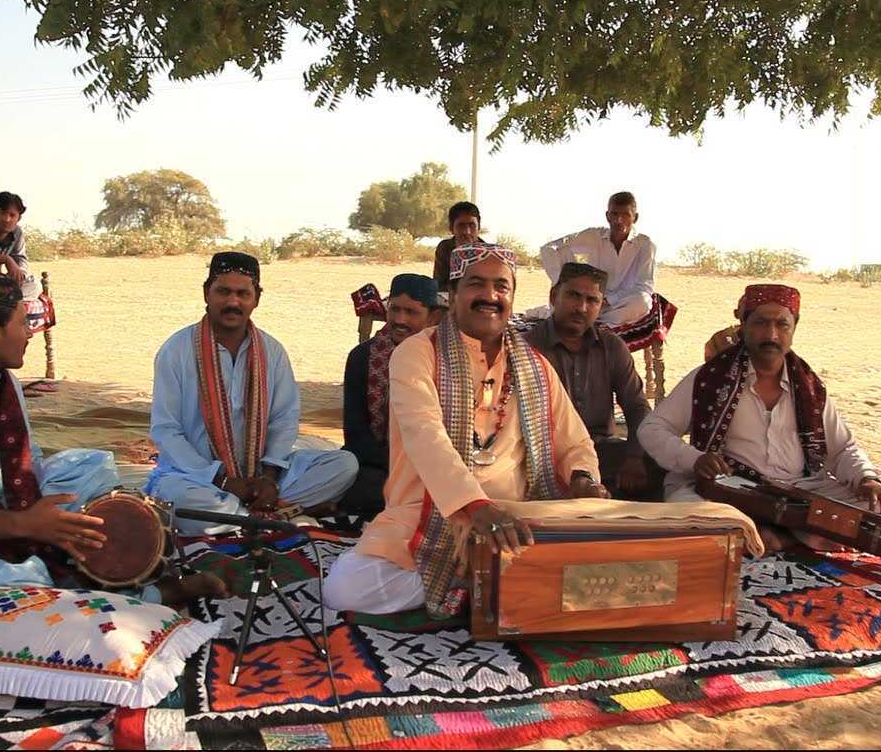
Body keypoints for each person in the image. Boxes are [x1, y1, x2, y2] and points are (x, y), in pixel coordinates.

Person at [0, 268, 224, 613]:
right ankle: (144, 597)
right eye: (22, 322)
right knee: (19, 586)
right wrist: (24, 525)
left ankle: (111, 578)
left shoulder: (5, 385)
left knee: (93, 471)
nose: (30, 332)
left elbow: (25, 467)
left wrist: (54, 514)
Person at [322, 243, 613, 617]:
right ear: (454, 294)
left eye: (501, 287)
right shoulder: (416, 353)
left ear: (511, 297)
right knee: (344, 589)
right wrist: (474, 507)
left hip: (516, 516)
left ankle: (482, 578)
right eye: (477, 284)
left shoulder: (533, 366)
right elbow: (425, 435)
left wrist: (582, 478)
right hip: (430, 509)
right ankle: (484, 580)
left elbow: (574, 439)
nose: (490, 296)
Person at [637, 283, 881, 553]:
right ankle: (794, 534)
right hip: (734, 490)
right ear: (744, 325)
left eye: (782, 324)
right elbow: (652, 428)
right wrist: (694, 459)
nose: (771, 334)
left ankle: (777, 535)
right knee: (691, 511)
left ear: (794, 328)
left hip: (801, 493)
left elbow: (842, 448)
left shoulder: (808, 386)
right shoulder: (709, 378)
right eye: (760, 323)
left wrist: (865, 478)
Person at [146, 252, 358, 535]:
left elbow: (284, 419)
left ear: (256, 298)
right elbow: (166, 430)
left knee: (344, 464)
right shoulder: (176, 350)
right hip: (197, 478)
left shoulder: (272, 351)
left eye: (242, 293)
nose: (233, 302)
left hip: (262, 477)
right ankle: (275, 514)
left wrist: (268, 477)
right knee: (184, 499)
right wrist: (221, 480)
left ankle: (248, 515)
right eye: (223, 291)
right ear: (206, 293)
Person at [523, 262, 651, 494]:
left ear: (601, 306)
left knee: (663, 467)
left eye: (592, 300)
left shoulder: (612, 347)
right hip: (544, 455)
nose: (581, 307)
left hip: (602, 452)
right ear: (553, 296)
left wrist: (634, 457)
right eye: (573, 295)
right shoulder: (528, 347)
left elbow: (637, 407)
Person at [341, 273, 438, 518]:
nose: (400, 320)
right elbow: (355, 433)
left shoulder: (443, 359)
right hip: (376, 464)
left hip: (430, 465)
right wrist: (398, 465)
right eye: (394, 309)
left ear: (432, 317)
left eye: (411, 312)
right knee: (351, 476)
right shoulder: (362, 357)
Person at [537, 191, 656, 327]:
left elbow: (644, 286)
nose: (619, 221)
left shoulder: (645, 245)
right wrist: (562, 283)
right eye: (615, 214)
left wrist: (609, 299)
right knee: (562, 251)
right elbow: (549, 248)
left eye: (625, 215)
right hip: (588, 298)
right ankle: (584, 316)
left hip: (620, 304)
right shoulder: (593, 236)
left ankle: (597, 323)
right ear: (607, 216)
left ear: (635, 218)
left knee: (643, 301)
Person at [431, 201, 481, 291]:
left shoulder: (488, 253)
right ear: (451, 228)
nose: (467, 232)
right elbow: (439, 284)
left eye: (472, 225)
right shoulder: (444, 248)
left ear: (479, 227)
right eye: (461, 226)